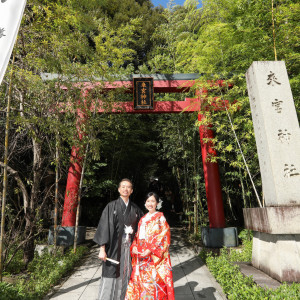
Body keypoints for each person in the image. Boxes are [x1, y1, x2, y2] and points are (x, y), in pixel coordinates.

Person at [93, 178, 143, 300]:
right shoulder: (111, 206)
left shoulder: (135, 209)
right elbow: (104, 227)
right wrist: (102, 249)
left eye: (128, 187)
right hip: (114, 248)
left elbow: (143, 227)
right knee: (111, 273)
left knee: (127, 274)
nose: (126, 189)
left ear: (131, 191)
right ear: (119, 189)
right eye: (123, 187)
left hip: (130, 249)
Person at [125, 192, 175, 300]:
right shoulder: (142, 219)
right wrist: (133, 246)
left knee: (153, 283)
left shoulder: (160, 218)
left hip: (153, 257)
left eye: (153, 201)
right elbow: (137, 237)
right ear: (145, 203)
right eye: (148, 201)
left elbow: (164, 237)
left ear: (157, 203)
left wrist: (150, 250)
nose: (150, 203)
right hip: (141, 256)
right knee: (139, 281)